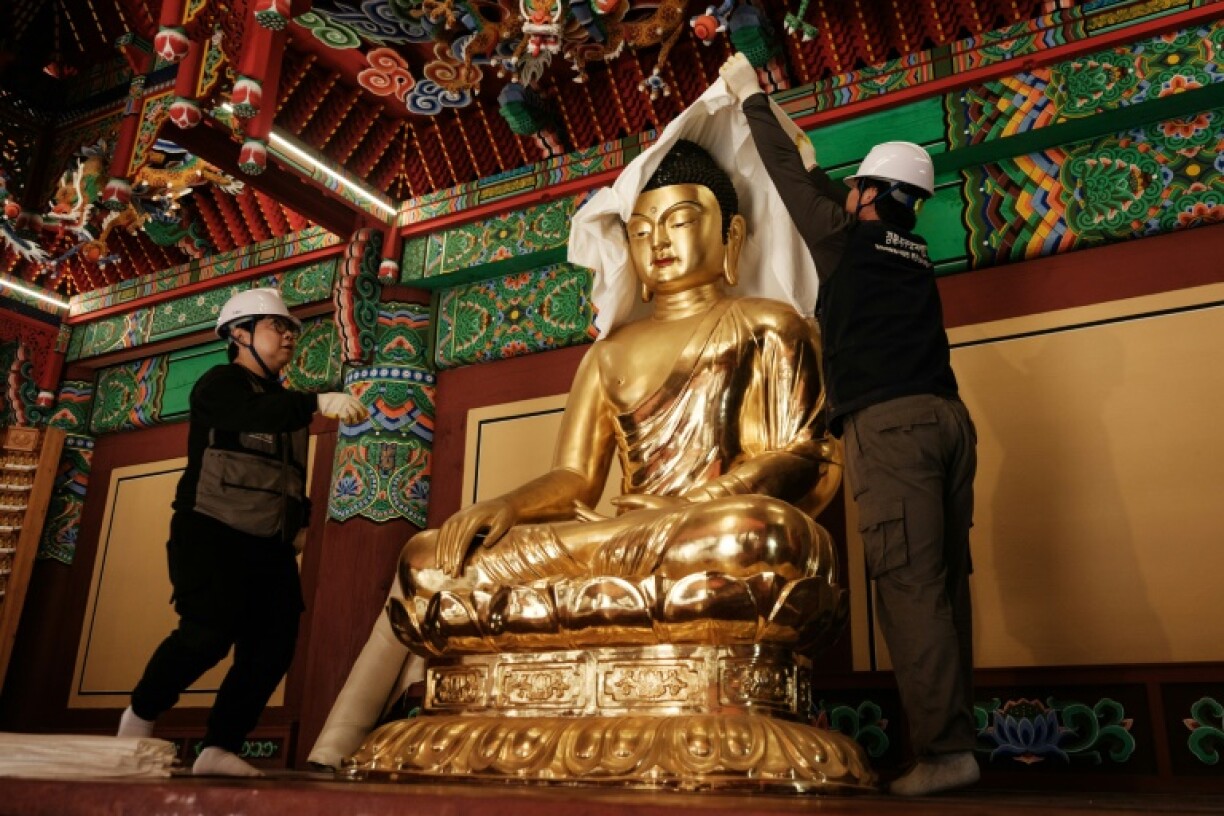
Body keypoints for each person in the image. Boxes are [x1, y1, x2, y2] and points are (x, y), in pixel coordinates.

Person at [310, 130, 843, 769]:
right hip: (615, 541)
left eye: (679, 221)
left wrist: (706, 497)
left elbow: (805, 455)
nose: (660, 243)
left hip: (704, 533)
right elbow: (575, 477)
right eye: (641, 232)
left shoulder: (768, 325)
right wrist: (505, 508)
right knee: (428, 563)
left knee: (760, 540)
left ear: (731, 238)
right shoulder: (609, 353)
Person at [720, 53, 980, 797]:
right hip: (949, 421)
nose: (848, 192)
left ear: (870, 196)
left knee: (908, 585)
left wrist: (753, 102)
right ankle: (956, 737)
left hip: (892, 426)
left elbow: (793, 185)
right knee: (945, 585)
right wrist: (839, 166)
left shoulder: (847, 243)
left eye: (857, 184)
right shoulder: (907, 250)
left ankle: (943, 751)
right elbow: (841, 196)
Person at [116, 287, 367, 776]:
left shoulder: (285, 403)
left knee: (273, 645)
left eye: (292, 329)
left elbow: (289, 474)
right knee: (207, 635)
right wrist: (316, 400)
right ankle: (141, 713)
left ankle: (218, 748)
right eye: (278, 327)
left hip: (268, 544)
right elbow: (249, 416)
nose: (289, 336)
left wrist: (299, 525)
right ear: (239, 333)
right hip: (212, 530)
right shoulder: (220, 384)